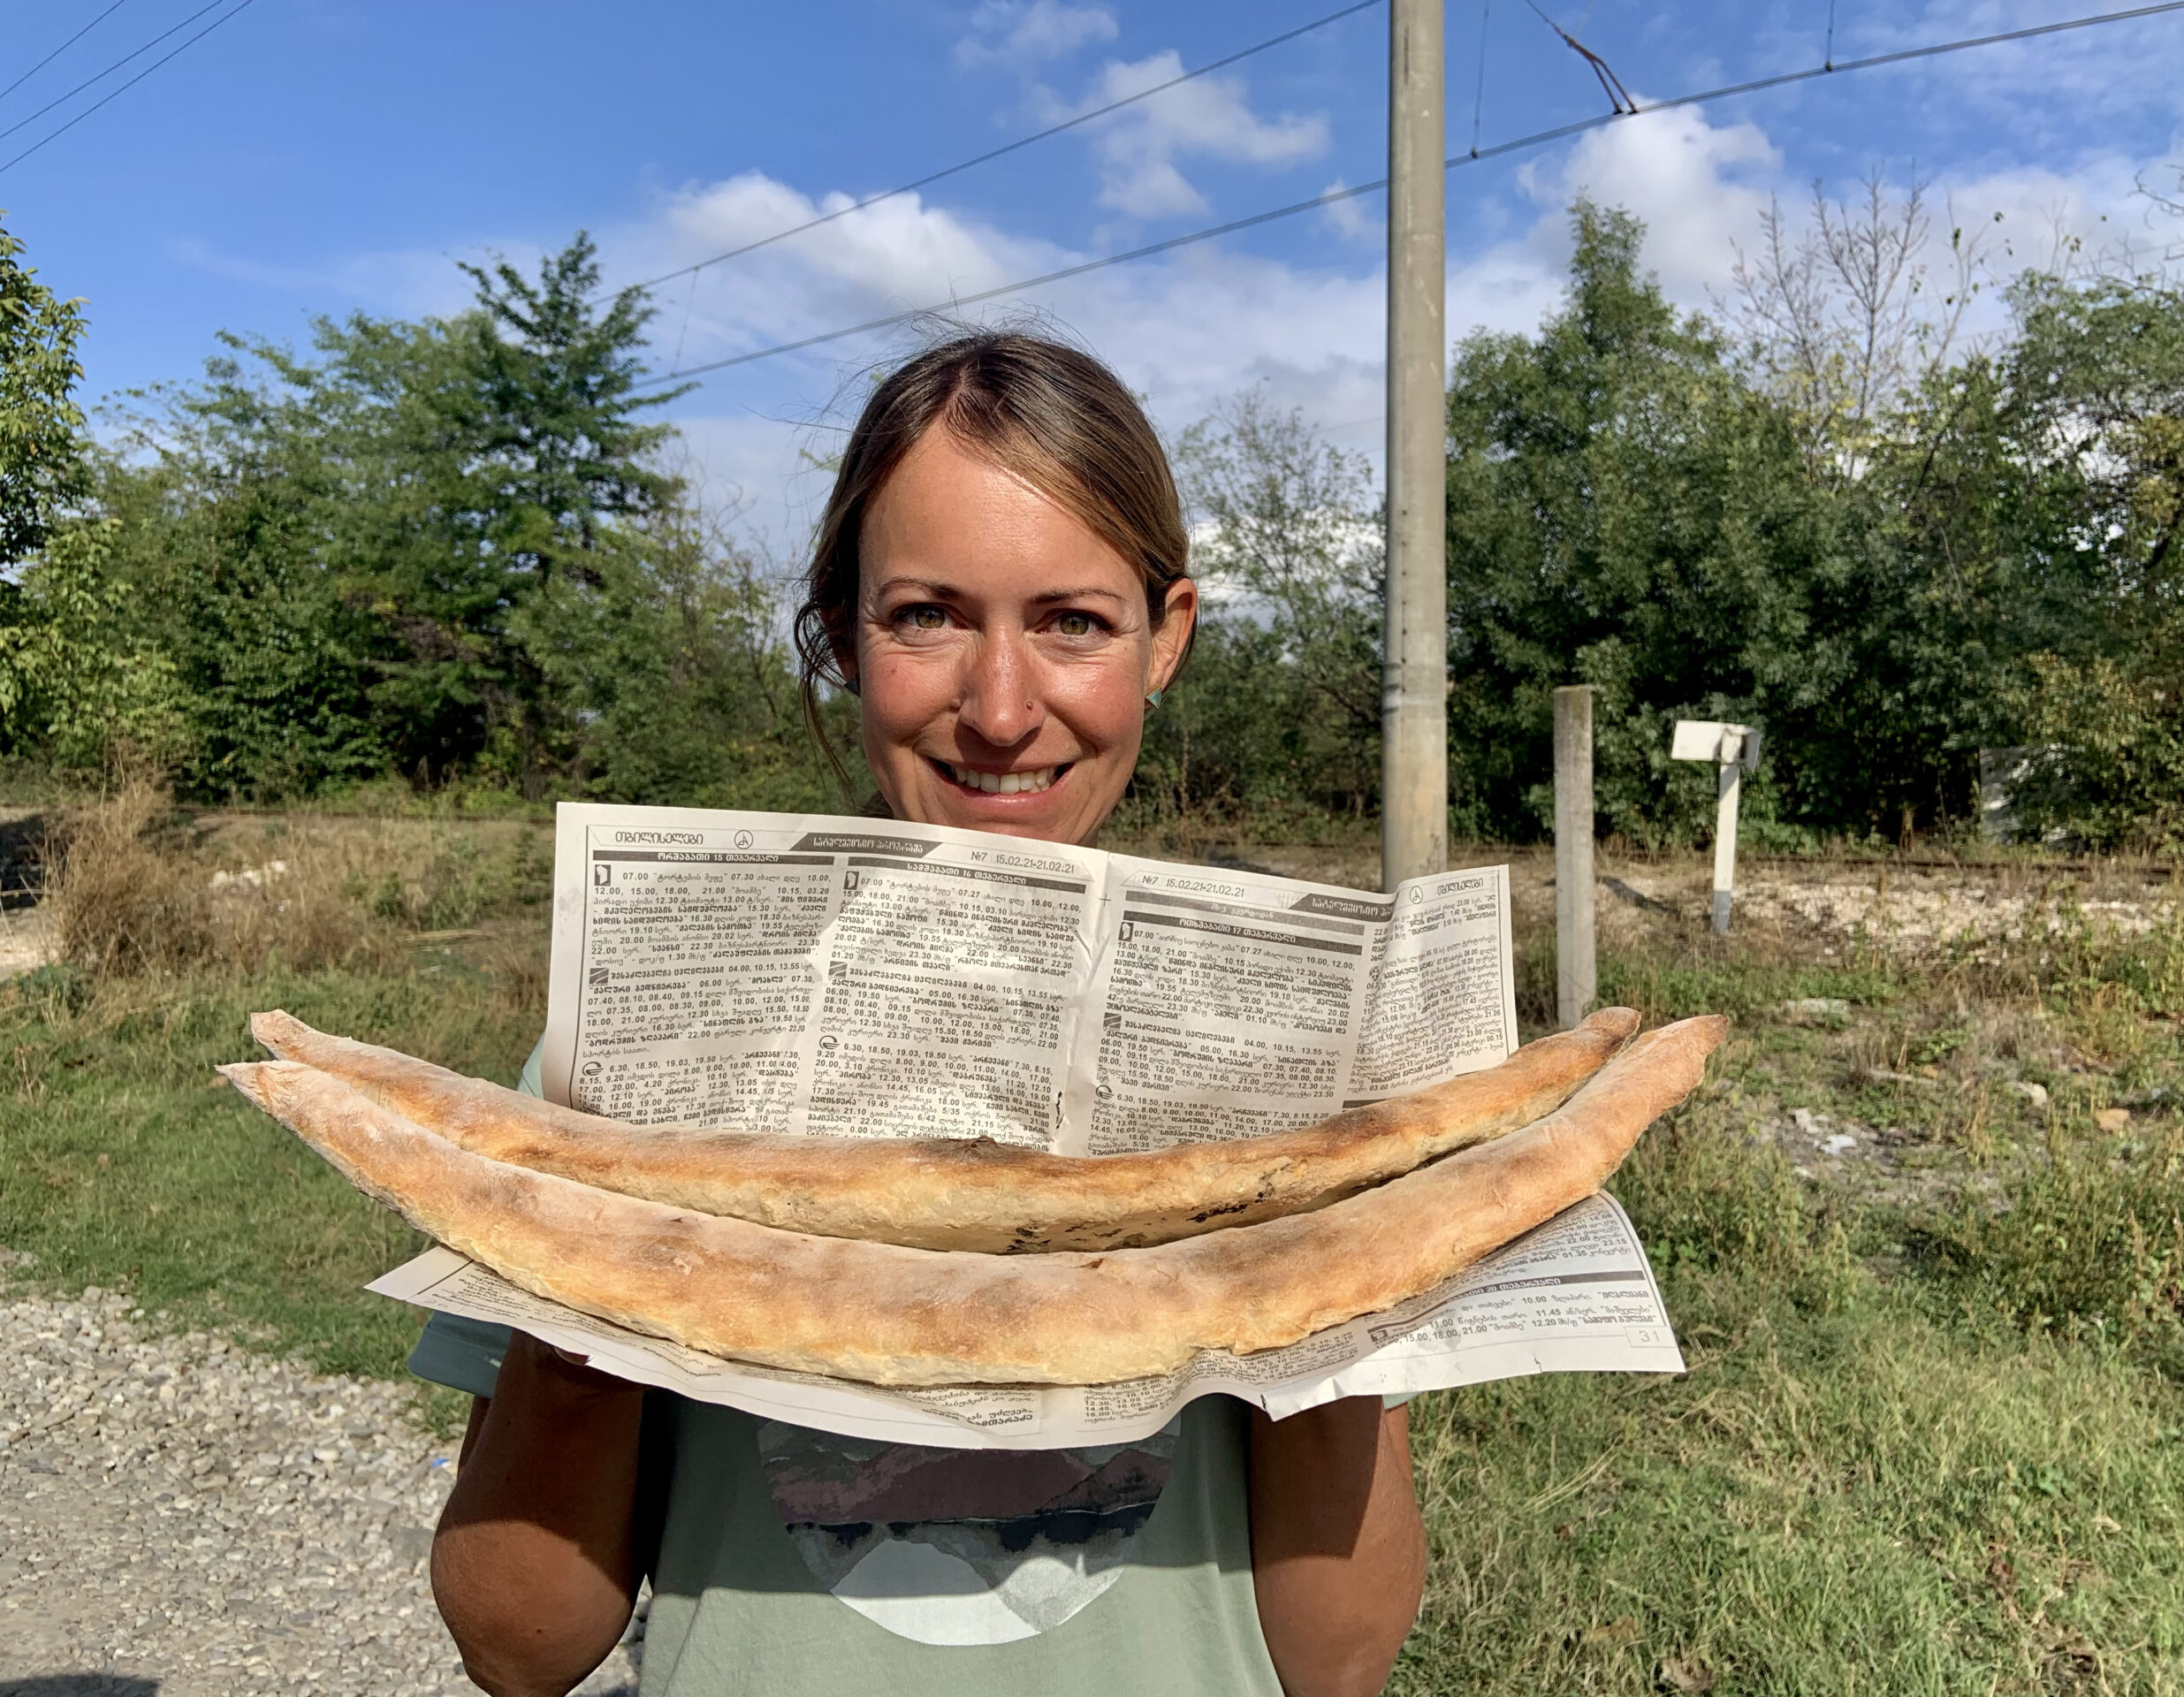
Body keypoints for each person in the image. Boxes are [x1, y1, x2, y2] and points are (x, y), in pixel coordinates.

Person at [410, 331, 1427, 1697]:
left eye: (1073, 621)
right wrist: (611, 1293)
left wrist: (1316, 1296)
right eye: (925, 616)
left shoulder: (1299, 1062)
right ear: (844, 634)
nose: (1001, 710)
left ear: (1165, 636)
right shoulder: (641, 1041)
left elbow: (1342, 1658)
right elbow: (517, 1643)